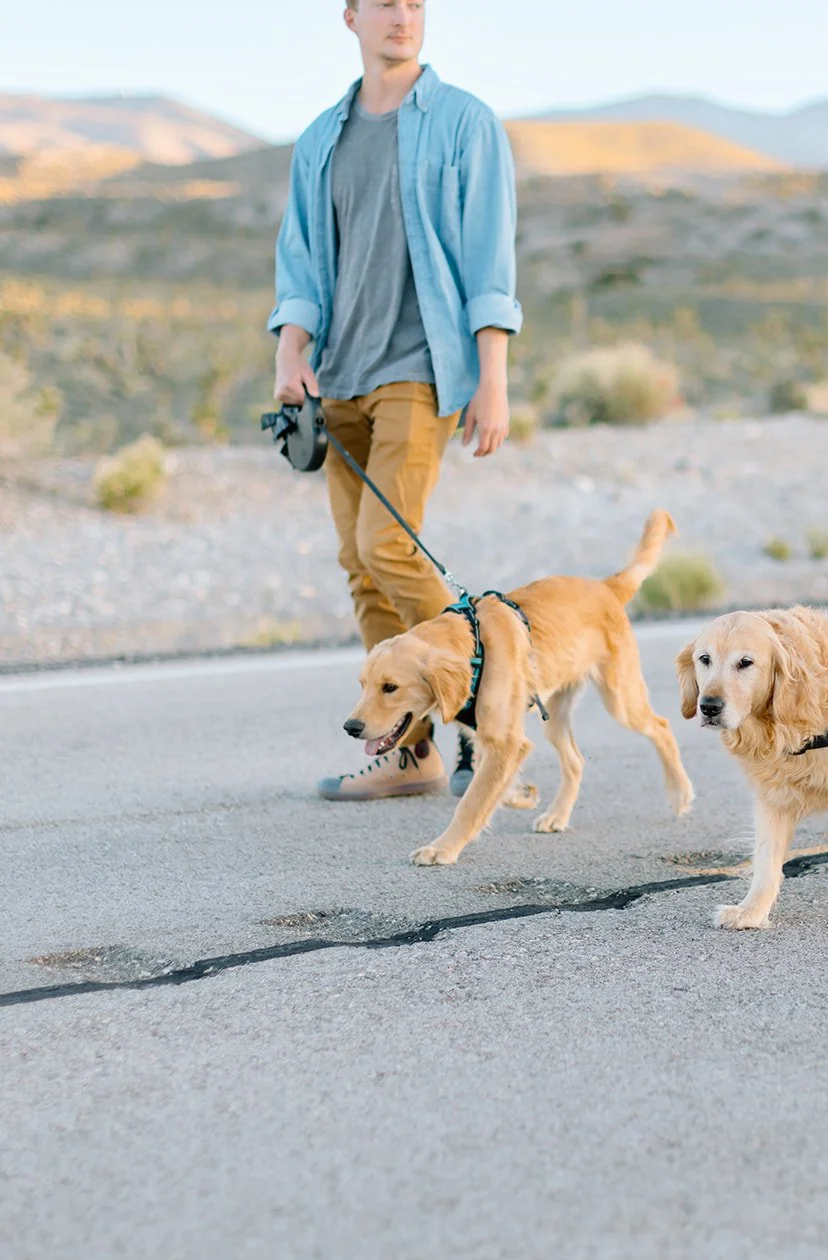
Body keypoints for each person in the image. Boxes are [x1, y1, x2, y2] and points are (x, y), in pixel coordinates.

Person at [269, 0, 521, 801]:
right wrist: (291, 347)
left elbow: (489, 255)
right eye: (386, 2)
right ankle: (409, 752)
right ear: (350, 17)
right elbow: (301, 258)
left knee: (388, 546)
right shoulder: (322, 136)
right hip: (338, 372)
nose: (404, 15)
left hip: (420, 368)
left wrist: (493, 375)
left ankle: (497, 705)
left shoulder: (463, 122)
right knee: (362, 568)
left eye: (416, 3)